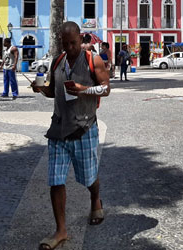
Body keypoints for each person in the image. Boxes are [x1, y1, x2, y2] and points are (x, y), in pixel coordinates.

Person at [31, 22, 111, 250]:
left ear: (80, 38)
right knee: (55, 181)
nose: (69, 47)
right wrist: (41, 89)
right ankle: (61, 230)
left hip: (83, 128)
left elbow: (106, 88)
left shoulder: (92, 60)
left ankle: (95, 198)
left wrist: (84, 89)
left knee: (89, 177)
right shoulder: (57, 61)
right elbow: (52, 90)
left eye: (73, 43)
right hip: (58, 130)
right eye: (65, 44)